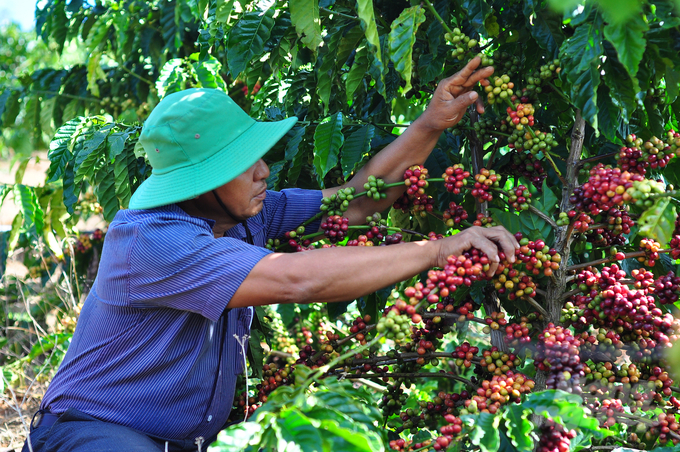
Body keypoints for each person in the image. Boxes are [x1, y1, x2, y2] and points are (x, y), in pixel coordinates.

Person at [23, 57, 518, 452]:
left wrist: (429, 125)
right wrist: (436, 251)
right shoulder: (152, 241)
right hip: (95, 428)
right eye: (242, 163)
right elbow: (295, 279)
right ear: (202, 182)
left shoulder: (246, 214)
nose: (263, 171)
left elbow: (357, 199)